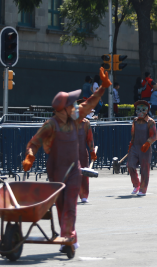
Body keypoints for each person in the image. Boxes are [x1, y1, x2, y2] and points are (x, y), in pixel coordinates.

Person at [22, 67, 110, 252]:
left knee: (70, 205)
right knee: (61, 206)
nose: (77, 107)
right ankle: (69, 237)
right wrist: (30, 156)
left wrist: (102, 88)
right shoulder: (50, 125)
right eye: (73, 105)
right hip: (56, 171)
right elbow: (34, 143)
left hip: (73, 171)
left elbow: (90, 103)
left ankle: (68, 237)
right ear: (64, 109)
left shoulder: (76, 120)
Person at [127, 100, 157, 196]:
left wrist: (148, 143)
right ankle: (136, 185)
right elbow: (133, 134)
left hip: (145, 148)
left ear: (147, 111)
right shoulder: (135, 121)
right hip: (135, 146)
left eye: (143, 109)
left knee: (144, 169)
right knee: (130, 165)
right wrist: (130, 145)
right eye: (138, 109)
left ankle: (143, 189)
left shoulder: (151, 122)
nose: (140, 111)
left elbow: (154, 136)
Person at [76, 99, 97, 203]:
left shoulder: (86, 123)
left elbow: (90, 139)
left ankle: (84, 195)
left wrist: (92, 150)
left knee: (84, 174)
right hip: (69, 153)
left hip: (82, 152)